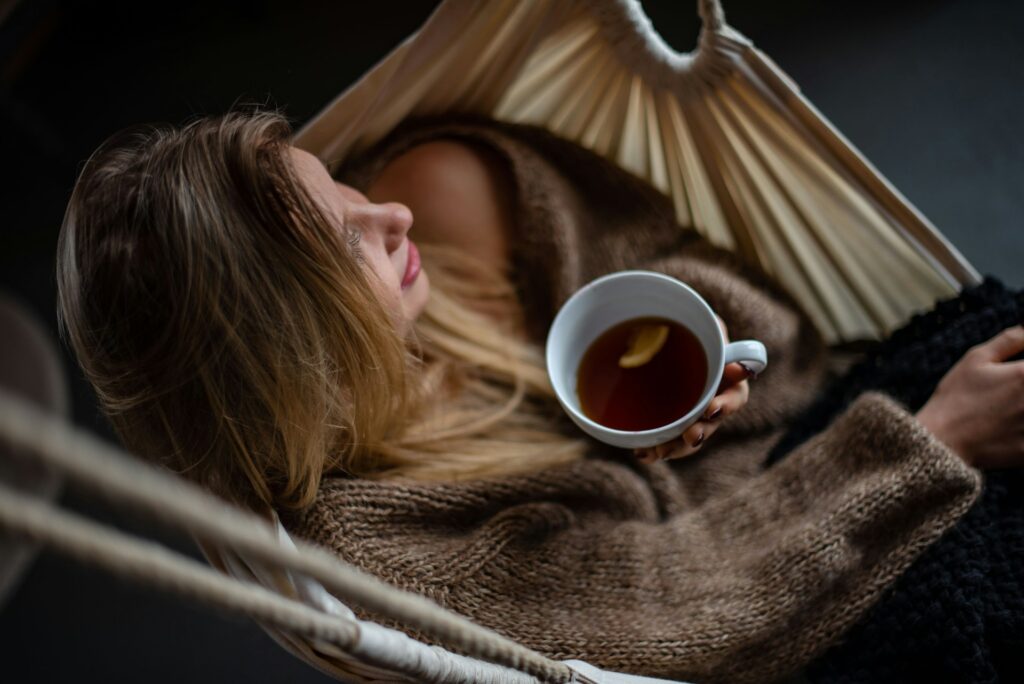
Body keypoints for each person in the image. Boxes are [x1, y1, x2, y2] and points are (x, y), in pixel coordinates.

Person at [54, 110, 1024, 683]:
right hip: (763, 600)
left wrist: (693, 383)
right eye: (342, 240)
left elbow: (784, 343)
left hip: (792, 473)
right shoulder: (375, 548)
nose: (385, 214)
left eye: (341, 183)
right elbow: (673, 619)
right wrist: (933, 440)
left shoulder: (446, 223)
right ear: (281, 353)